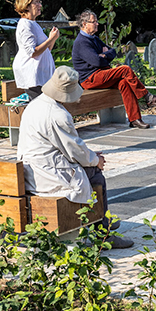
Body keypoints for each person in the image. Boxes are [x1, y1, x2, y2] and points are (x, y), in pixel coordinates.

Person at [17, 66, 133, 248]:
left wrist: (90, 156)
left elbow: (65, 147)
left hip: (31, 169)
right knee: (96, 175)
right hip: (48, 176)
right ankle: (102, 233)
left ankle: (100, 219)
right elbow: (75, 150)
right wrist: (96, 159)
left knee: (89, 167)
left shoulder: (35, 104)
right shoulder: (58, 115)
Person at [72, 10, 156, 129]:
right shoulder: (81, 42)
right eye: (94, 22)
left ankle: (135, 119)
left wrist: (104, 55)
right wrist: (103, 57)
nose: (97, 24)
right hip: (90, 79)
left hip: (100, 74)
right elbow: (96, 61)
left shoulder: (94, 38)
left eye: (96, 21)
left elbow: (112, 52)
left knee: (124, 83)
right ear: (85, 24)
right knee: (125, 70)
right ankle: (148, 97)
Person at [12, 0, 59, 100]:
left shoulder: (33, 24)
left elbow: (46, 50)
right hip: (33, 76)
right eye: (36, 2)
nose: (40, 5)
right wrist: (50, 39)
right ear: (27, 6)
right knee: (43, 106)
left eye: (39, 2)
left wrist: (52, 39)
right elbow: (32, 52)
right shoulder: (25, 25)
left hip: (42, 75)